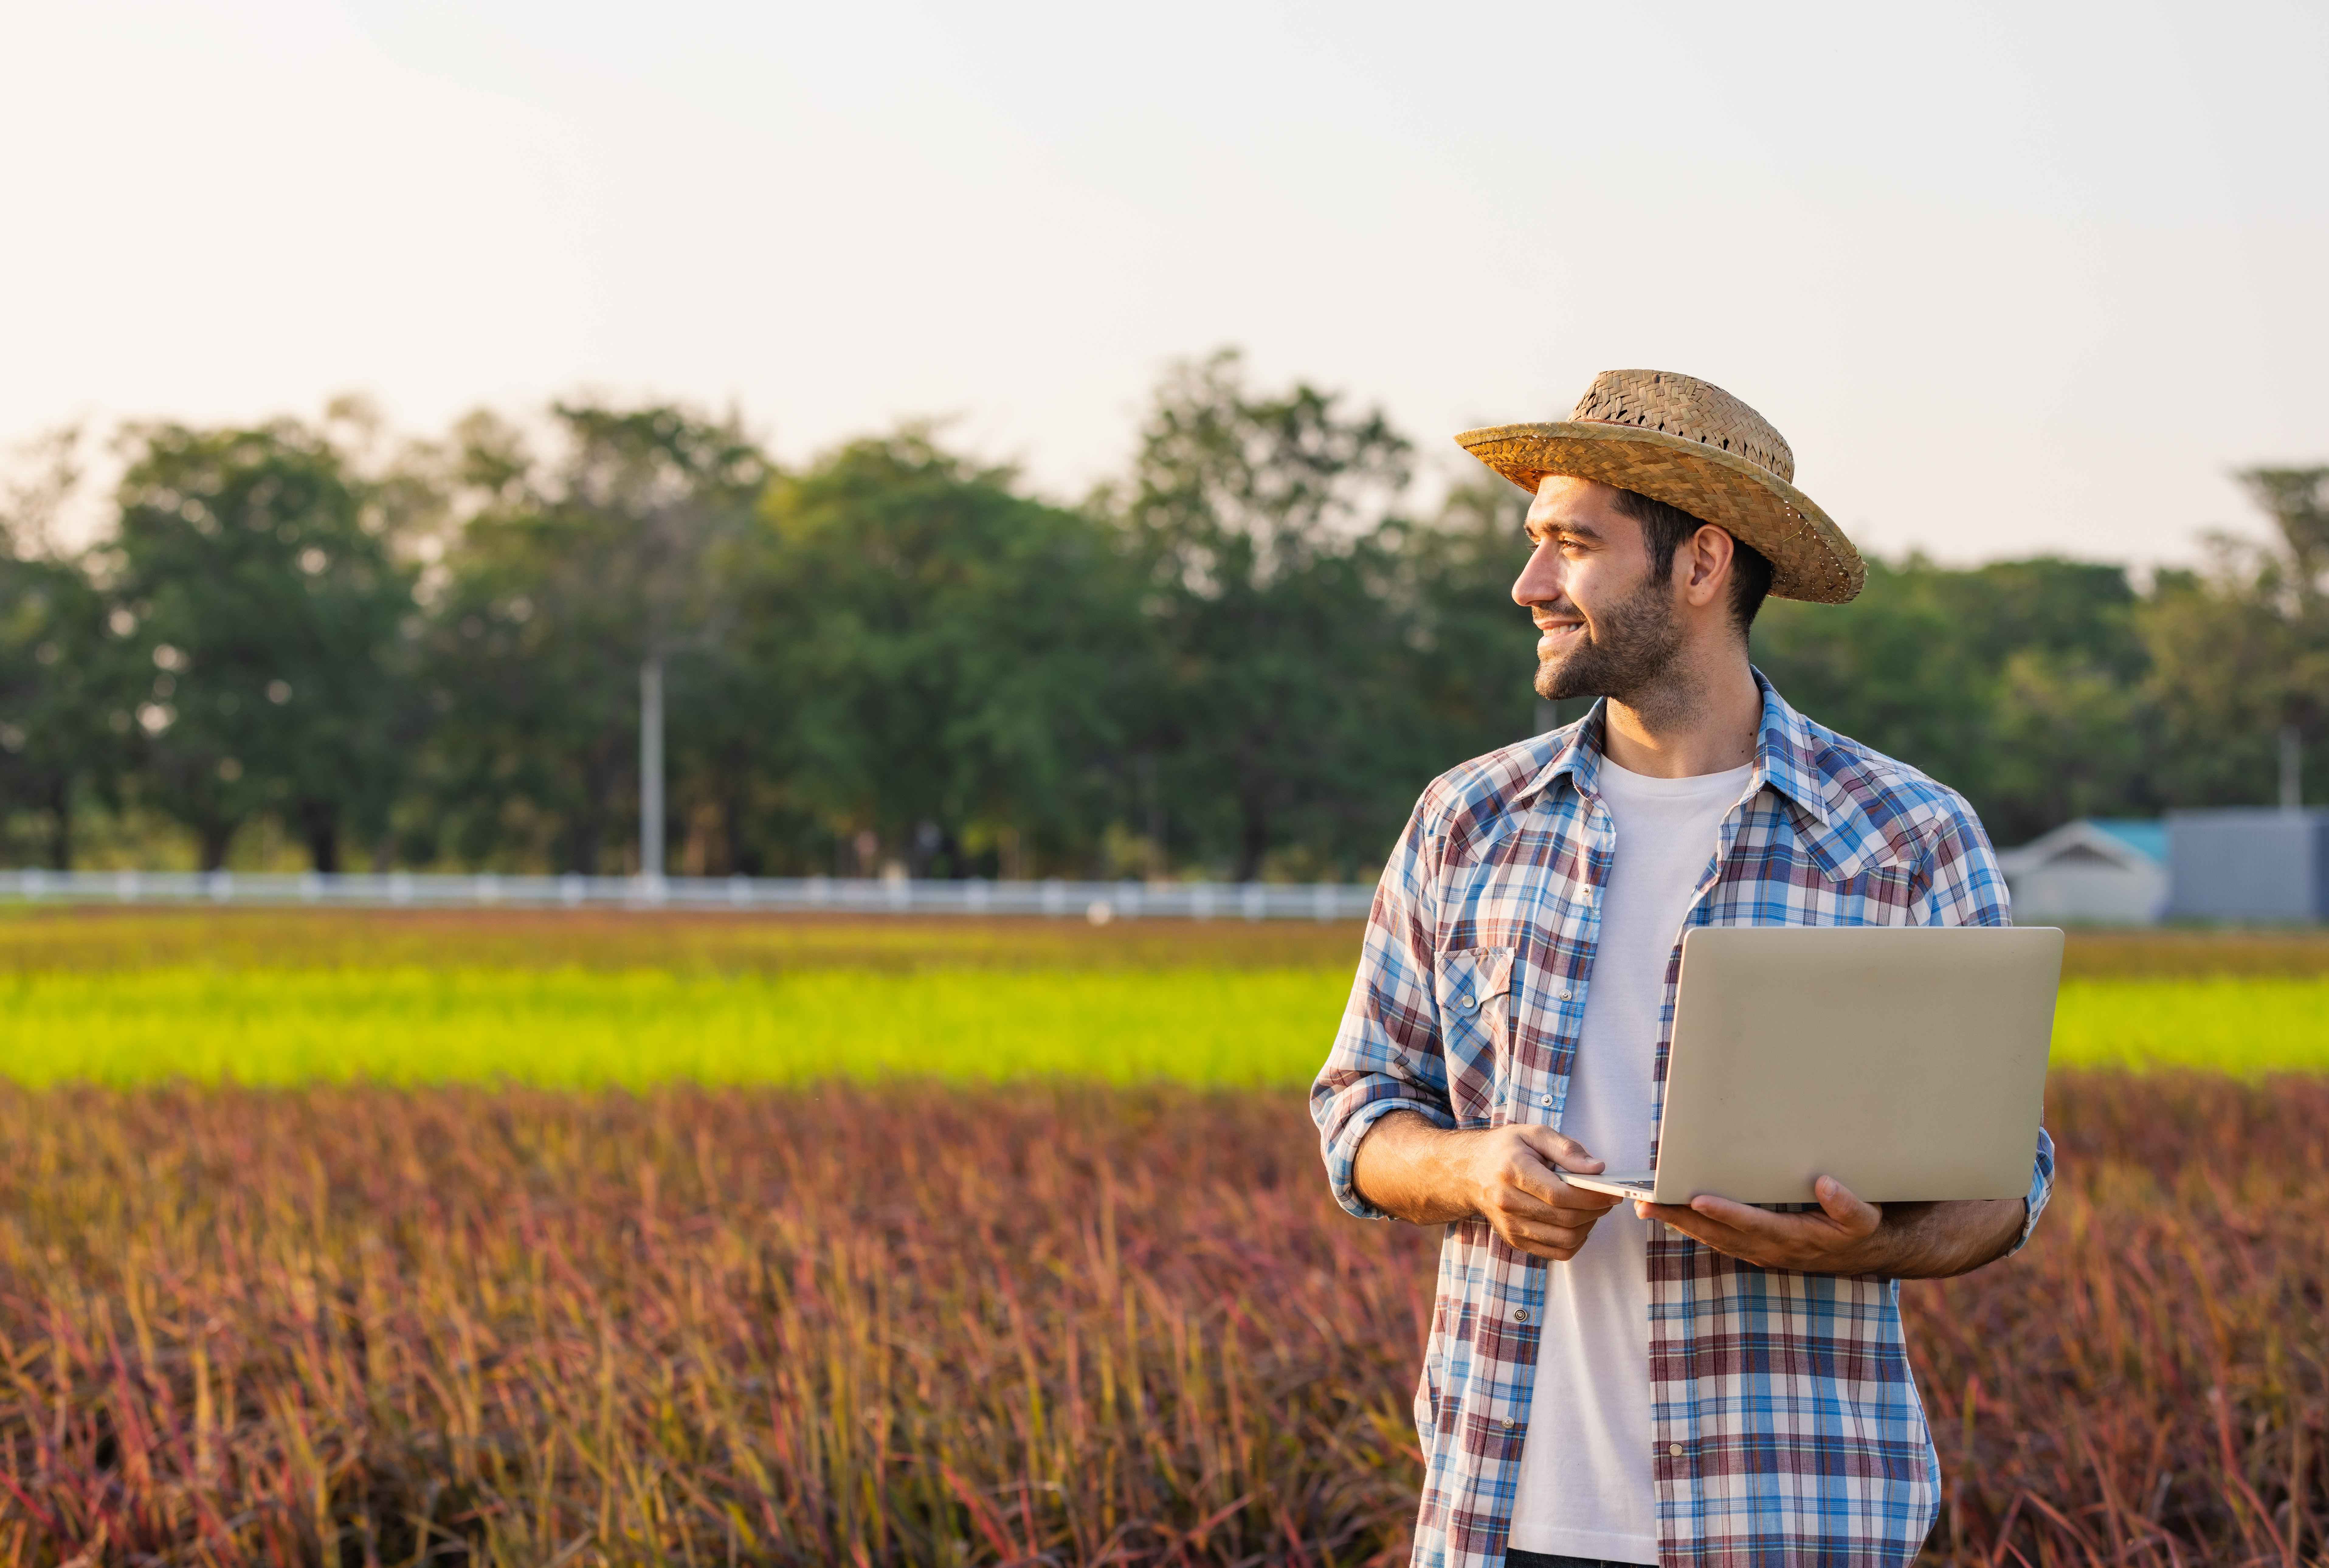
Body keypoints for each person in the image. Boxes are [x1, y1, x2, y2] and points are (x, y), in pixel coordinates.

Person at [1310, 370, 2053, 1568]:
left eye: (1570, 545)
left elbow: (1999, 1185)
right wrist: (1473, 1168)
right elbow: (1357, 1116)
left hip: (1792, 1523)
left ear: (1699, 566)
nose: (1529, 585)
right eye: (1533, 545)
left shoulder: (1906, 836)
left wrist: (1860, 1244)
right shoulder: (1466, 820)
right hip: (1499, 1520)